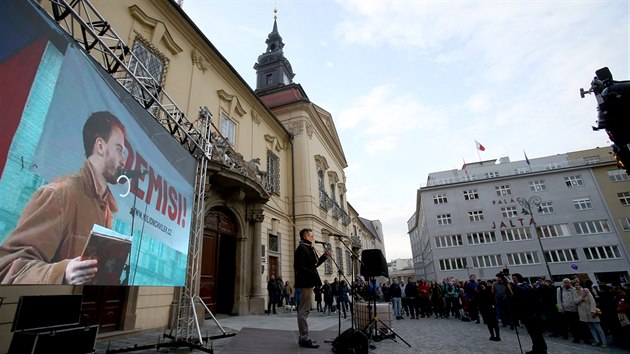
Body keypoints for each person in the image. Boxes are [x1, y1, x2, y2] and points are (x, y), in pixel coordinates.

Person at [0, 111, 127, 285]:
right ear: (100, 146)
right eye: (119, 149)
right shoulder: (60, 194)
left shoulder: (106, 207)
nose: (123, 160)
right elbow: (6, 269)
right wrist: (63, 273)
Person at [294, 228, 330, 349]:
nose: (312, 237)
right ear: (305, 236)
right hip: (305, 282)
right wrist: (311, 274)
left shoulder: (308, 247)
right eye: (310, 236)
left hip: (308, 281)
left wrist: (324, 257)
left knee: (305, 310)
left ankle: (303, 337)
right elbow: (298, 266)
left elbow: (314, 265)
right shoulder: (302, 248)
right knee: (304, 310)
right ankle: (304, 338)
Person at [511, 273, 547, 354]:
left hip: (531, 313)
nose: (513, 280)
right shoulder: (518, 287)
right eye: (512, 278)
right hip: (525, 313)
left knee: (536, 332)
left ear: (519, 278)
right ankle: (536, 348)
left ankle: (542, 349)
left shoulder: (525, 285)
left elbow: (522, 291)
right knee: (532, 332)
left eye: (514, 278)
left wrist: (512, 284)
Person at [574, 281, 607, 347]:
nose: (576, 286)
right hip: (583, 313)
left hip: (590, 311)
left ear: (580, 285)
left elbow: (592, 301)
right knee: (591, 327)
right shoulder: (575, 292)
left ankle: (604, 342)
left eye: (577, 285)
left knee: (598, 327)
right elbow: (575, 302)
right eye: (575, 285)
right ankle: (597, 341)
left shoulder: (586, 290)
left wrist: (593, 311)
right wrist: (582, 297)